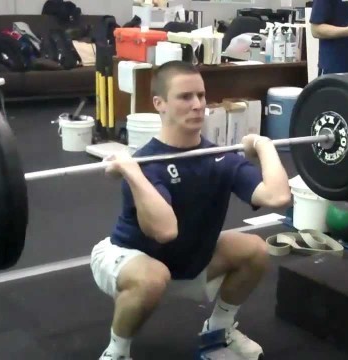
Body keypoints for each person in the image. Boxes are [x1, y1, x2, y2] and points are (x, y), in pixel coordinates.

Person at [90, 60, 292, 360]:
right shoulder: (147, 162)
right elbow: (165, 231)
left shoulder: (219, 157)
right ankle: (116, 352)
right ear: (160, 104)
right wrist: (132, 172)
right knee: (152, 277)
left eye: (201, 95)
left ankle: (218, 333)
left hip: (188, 262)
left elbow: (277, 197)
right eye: (185, 97)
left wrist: (264, 145)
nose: (198, 105)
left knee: (255, 250)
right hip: (129, 259)